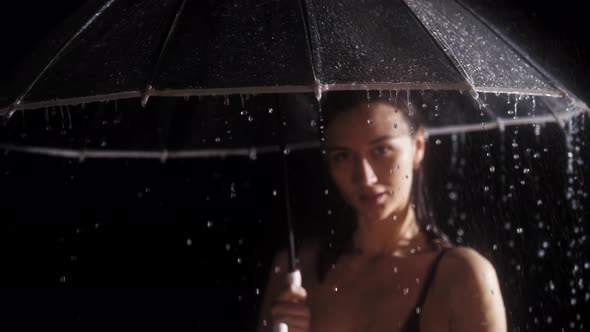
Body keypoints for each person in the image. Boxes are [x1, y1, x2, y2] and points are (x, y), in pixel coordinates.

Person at [256, 91, 506, 332]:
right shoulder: (296, 270)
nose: (365, 177)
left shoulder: (461, 276)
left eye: (381, 150)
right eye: (343, 156)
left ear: (418, 146)